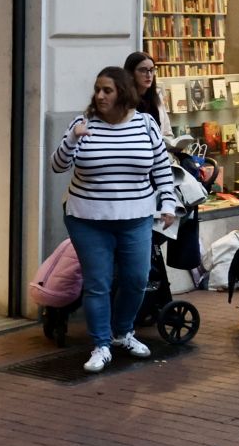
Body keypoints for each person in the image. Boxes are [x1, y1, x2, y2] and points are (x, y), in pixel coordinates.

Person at [53, 66, 181, 372]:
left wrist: (168, 203)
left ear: (123, 93)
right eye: (97, 89)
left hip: (135, 216)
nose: (99, 96)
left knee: (136, 279)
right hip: (88, 217)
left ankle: (123, 332)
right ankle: (101, 344)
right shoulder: (82, 125)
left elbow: (161, 168)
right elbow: (58, 165)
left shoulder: (145, 124)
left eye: (107, 90)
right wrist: (72, 138)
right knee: (98, 283)